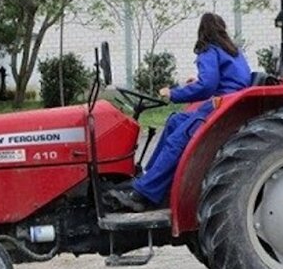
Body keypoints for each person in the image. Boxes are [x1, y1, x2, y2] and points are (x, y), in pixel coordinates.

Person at [106, 13, 252, 212]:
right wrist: (198, 82)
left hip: (219, 107)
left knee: (177, 140)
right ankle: (149, 178)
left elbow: (207, 86)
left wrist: (173, 93)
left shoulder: (209, 50)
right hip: (228, 104)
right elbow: (228, 80)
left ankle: (143, 194)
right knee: (175, 120)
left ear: (202, 31)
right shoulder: (234, 52)